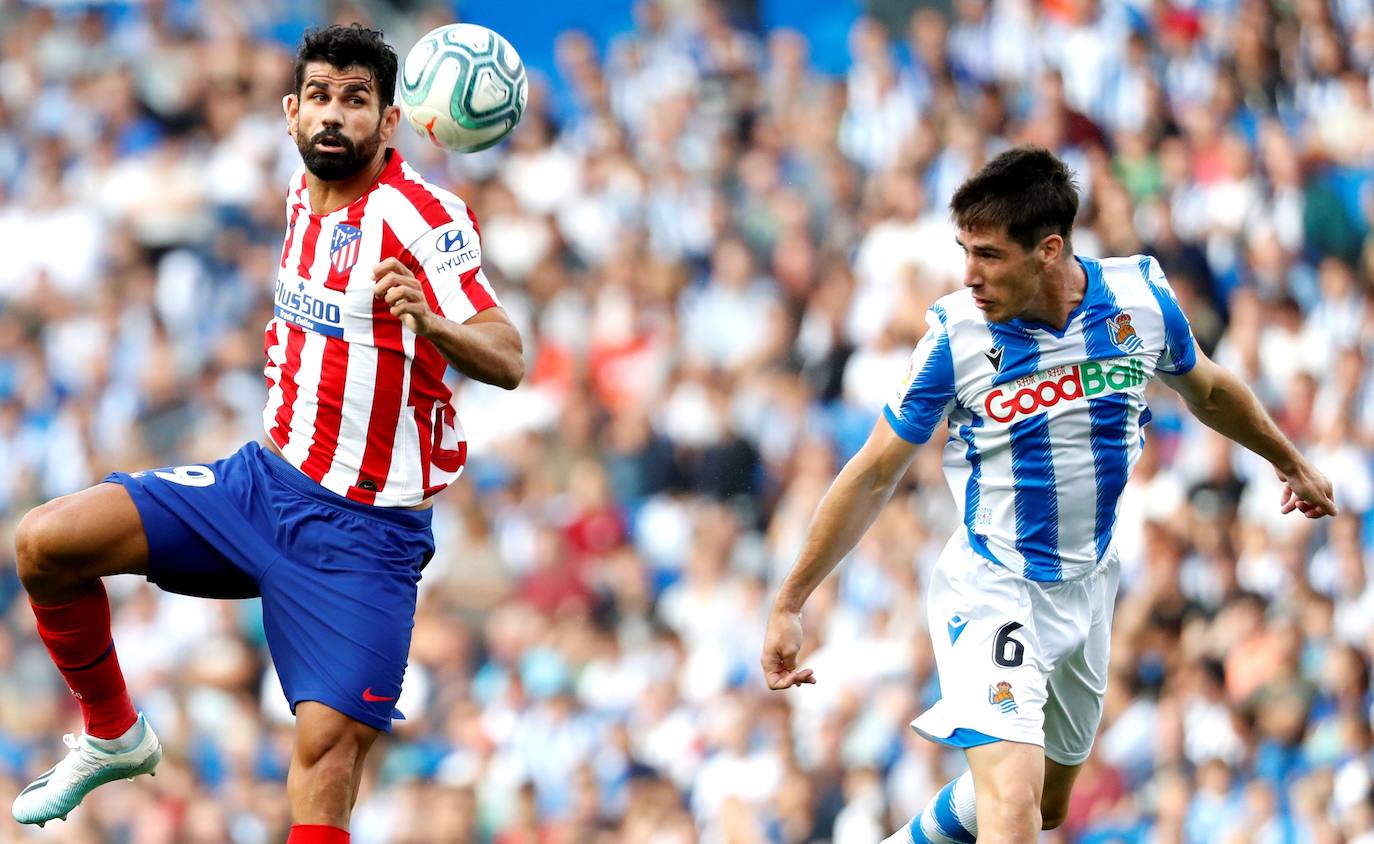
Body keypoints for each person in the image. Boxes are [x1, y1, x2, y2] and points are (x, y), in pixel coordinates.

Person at [10, 24, 523, 842]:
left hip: (365, 533)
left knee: (323, 763)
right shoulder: (299, 189)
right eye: (319, 96)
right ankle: (113, 733)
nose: (333, 116)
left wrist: (431, 322)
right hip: (261, 486)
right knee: (44, 543)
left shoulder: (425, 218)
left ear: (390, 122)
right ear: (291, 112)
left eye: (356, 101)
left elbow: (508, 355)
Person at [760, 146, 1336, 842]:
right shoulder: (957, 338)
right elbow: (875, 470)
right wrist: (792, 600)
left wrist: (1291, 462)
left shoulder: (1138, 301)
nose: (968, 275)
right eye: (963, 251)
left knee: (1044, 807)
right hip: (993, 586)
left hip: (1088, 586)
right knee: (1010, 809)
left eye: (989, 255)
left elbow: (1208, 388)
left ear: (1049, 249)